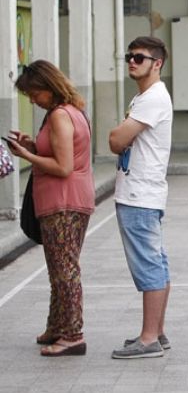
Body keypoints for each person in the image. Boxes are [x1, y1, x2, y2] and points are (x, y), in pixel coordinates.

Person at [9, 60, 94, 357]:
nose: (32, 100)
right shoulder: (71, 111)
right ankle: (57, 325)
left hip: (63, 202)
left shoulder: (59, 115)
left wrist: (25, 156)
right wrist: (32, 146)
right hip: (69, 200)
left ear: (49, 87)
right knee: (59, 268)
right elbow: (58, 153)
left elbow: (62, 166)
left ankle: (72, 334)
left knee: (64, 270)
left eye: (34, 93)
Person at [108, 36, 174, 359]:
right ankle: (157, 333)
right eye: (129, 57)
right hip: (143, 193)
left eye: (140, 57)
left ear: (157, 63)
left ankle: (148, 339)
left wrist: (116, 133)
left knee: (149, 266)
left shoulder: (153, 98)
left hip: (140, 195)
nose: (132, 62)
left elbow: (116, 139)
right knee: (156, 263)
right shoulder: (146, 97)